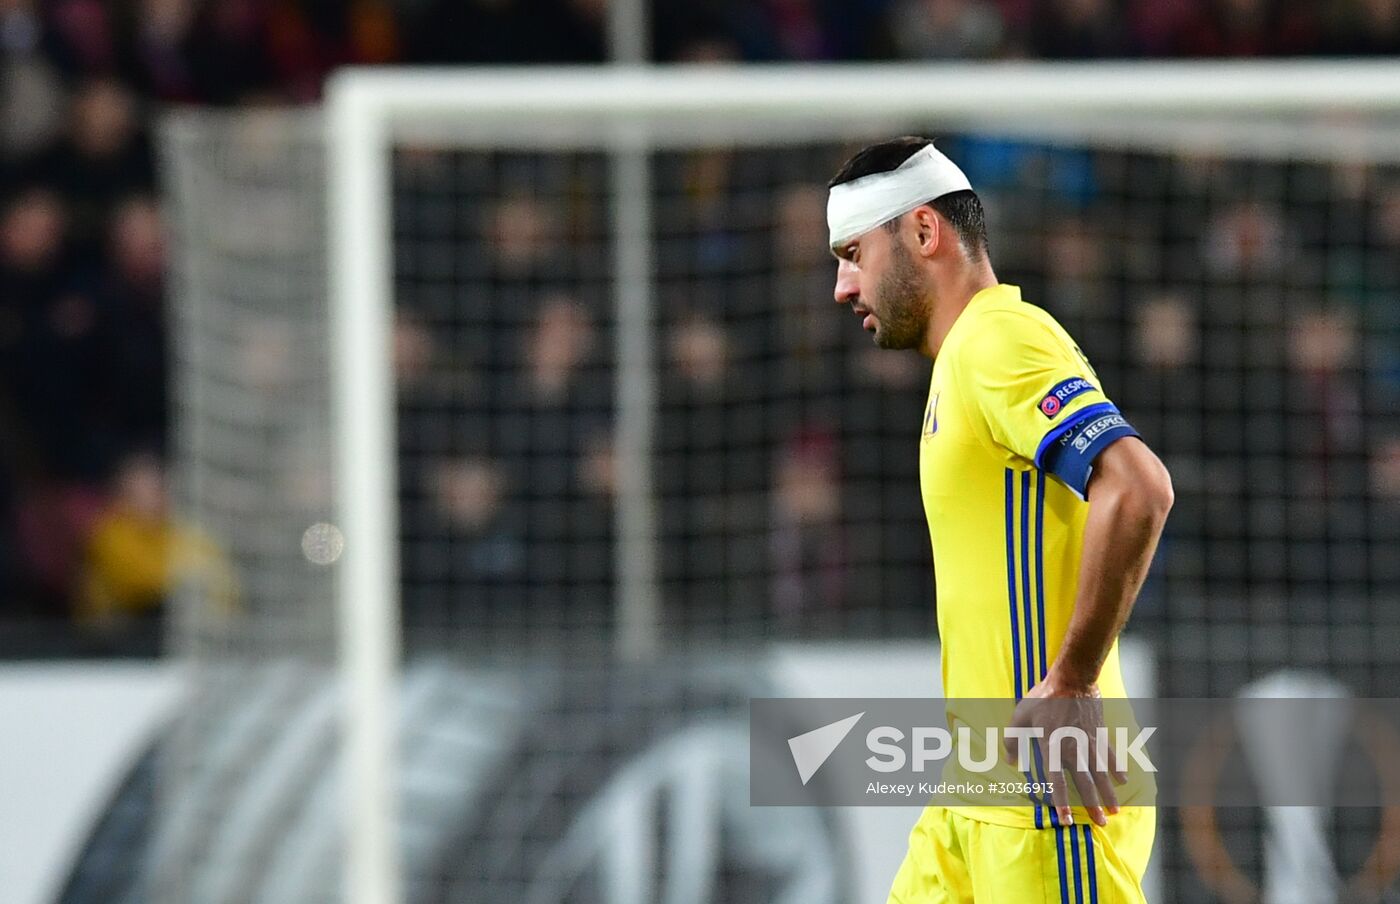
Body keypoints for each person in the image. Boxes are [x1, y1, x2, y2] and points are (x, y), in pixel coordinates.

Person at [826, 137, 1173, 903]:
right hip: (975, 787)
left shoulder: (1000, 340)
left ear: (923, 233)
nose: (844, 288)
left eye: (854, 254)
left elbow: (1139, 486)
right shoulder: (960, 363)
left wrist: (1075, 680)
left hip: (1045, 799)